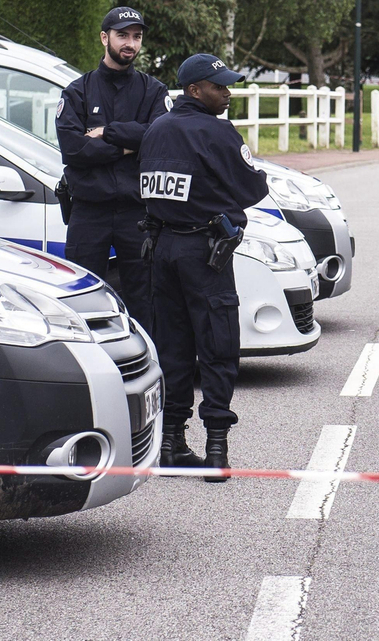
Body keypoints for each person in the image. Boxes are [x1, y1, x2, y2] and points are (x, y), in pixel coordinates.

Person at [137, 53, 268, 479]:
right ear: (195, 90)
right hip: (204, 252)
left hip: (161, 249)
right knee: (217, 345)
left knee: (171, 348)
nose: (227, 94)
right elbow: (253, 187)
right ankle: (216, 449)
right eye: (220, 87)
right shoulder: (216, 131)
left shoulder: (157, 129)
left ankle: (172, 442)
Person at [54, 6, 170, 331]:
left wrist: (106, 132)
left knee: (146, 303)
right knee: (80, 299)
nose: (130, 43)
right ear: (105, 38)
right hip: (89, 213)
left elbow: (160, 139)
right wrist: (130, 144)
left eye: (137, 36)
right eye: (123, 36)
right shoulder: (78, 91)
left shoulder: (154, 91)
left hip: (139, 214)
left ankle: (148, 373)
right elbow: (74, 149)